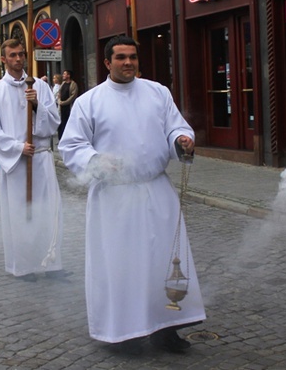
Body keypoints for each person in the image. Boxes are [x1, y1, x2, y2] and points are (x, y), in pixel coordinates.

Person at [58, 35, 205, 355]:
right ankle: (122, 332)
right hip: (115, 198)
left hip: (156, 192)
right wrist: (96, 161)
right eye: (121, 57)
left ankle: (166, 330)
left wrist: (181, 139)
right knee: (120, 266)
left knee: (163, 264)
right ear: (107, 63)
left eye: (133, 57)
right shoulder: (89, 101)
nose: (128, 63)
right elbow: (71, 146)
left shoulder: (157, 93)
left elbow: (174, 128)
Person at [0, 38, 66, 283]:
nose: (18, 59)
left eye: (21, 54)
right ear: (4, 59)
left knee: (49, 211)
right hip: (17, 163)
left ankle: (52, 262)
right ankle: (24, 265)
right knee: (20, 214)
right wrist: (18, 147)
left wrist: (37, 105)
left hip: (41, 158)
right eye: (13, 55)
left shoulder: (39, 87)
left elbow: (53, 122)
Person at [57, 69, 78, 139]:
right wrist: (59, 101)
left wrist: (64, 102)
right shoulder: (63, 83)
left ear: (68, 75)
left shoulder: (73, 85)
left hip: (68, 107)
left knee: (68, 123)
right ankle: (61, 137)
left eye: (64, 74)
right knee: (61, 123)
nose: (63, 75)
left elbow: (72, 96)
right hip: (61, 107)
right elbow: (59, 93)